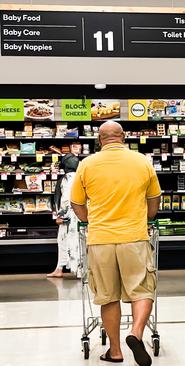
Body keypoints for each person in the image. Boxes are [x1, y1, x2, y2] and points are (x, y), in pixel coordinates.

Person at [71, 121, 161, 366]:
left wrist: (90, 220)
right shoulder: (141, 161)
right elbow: (154, 200)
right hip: (134, 237)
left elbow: (77, 204)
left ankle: (115, 351)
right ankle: (136, 333)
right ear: (124, 137)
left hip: (101, 239)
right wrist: (148, 217)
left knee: (108, 296)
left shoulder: (87, 164)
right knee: (142, 289)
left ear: (99, 140)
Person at [47, 153, 80, 278]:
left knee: (63, 242)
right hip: (80, 215)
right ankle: (80, 271)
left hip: (68, 217)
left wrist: (61, 215)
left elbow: (65, 200)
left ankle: (60, 269)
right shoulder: (81, 177)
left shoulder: (65, 179)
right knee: (79, 242)